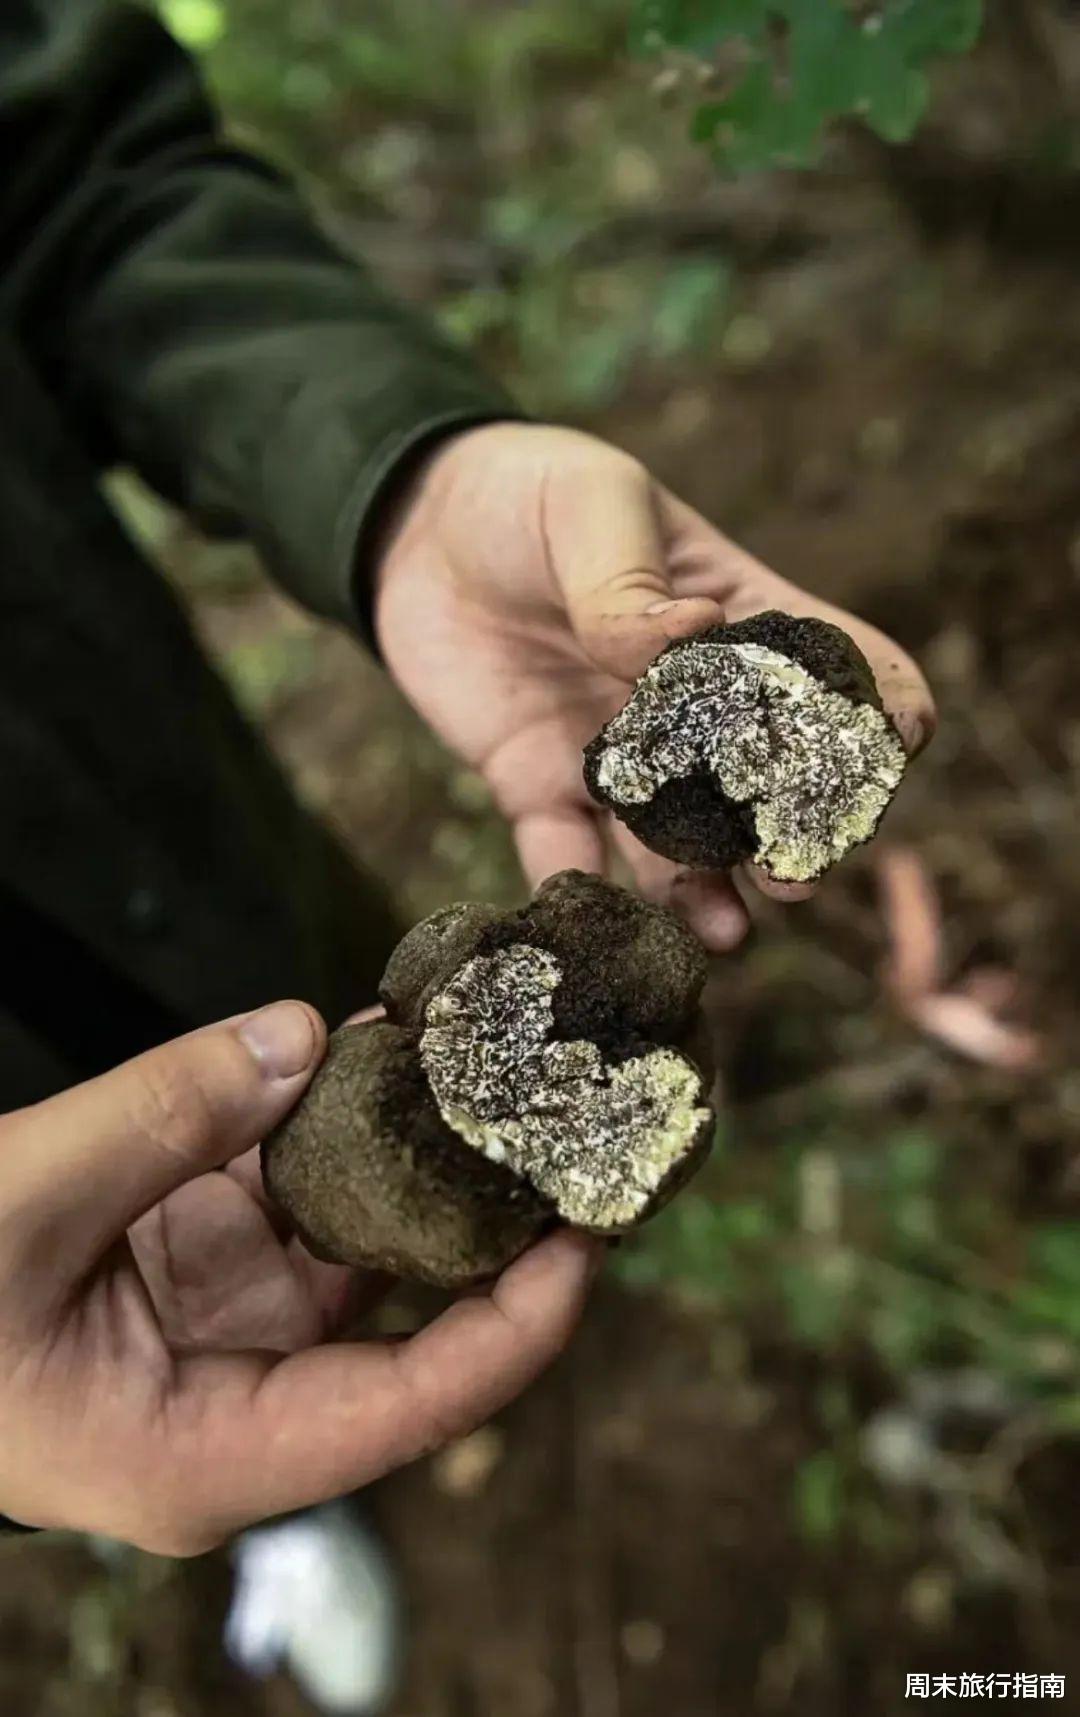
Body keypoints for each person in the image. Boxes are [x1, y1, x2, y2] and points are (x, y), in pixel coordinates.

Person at [0, 0, 935, 1552]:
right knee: (177, 1385)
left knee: (317, 1027)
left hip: (169, 821)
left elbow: (69, 188)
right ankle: (269, 1523)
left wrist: (402, 476)